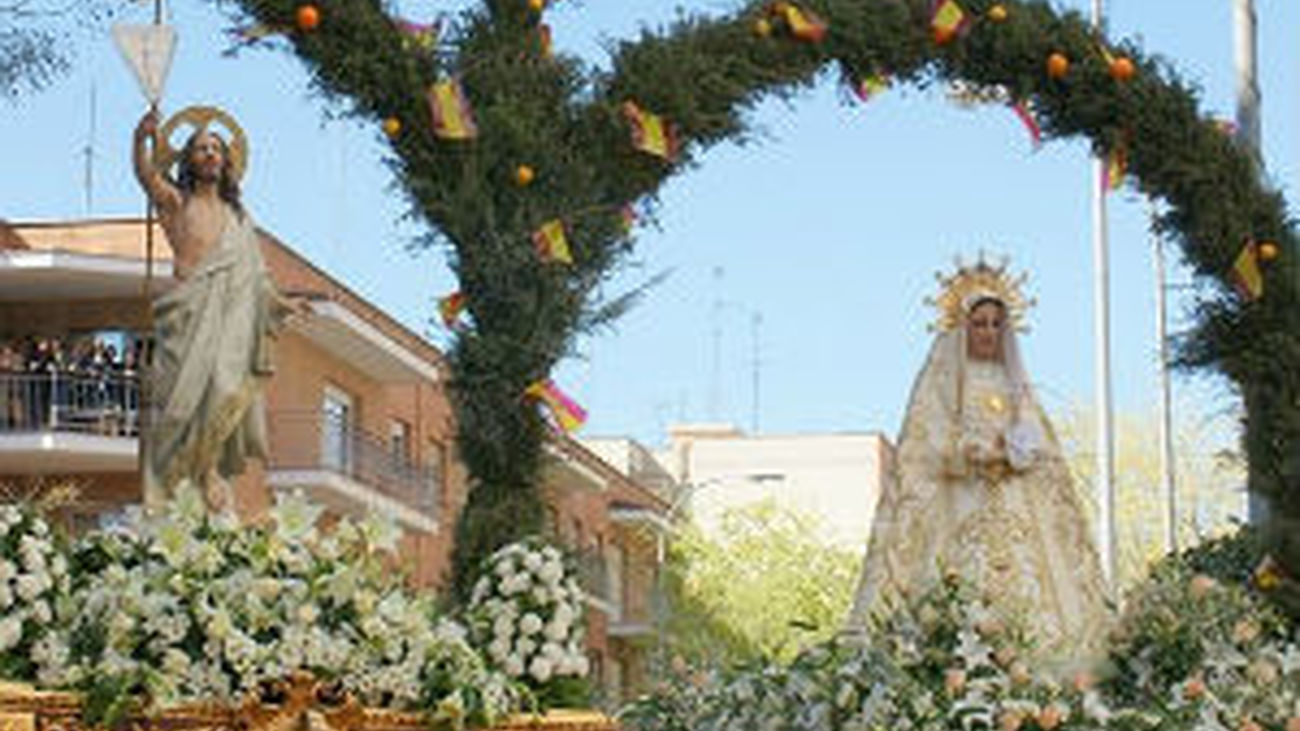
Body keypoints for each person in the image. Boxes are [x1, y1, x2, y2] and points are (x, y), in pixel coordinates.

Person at [847, 258, 1109, 659]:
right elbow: (924, 437)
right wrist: (967, 452)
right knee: (957, 589)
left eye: (995, 324)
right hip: (959, 504)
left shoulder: (1015, 382)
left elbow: (1038, 440)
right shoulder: (945, 378)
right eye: (979, 323)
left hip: (1016, 503)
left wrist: (1019, 451)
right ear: (962, 326)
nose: (988, 332)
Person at [133, 108, 290, 514]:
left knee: (223, 389)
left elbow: (257, 276)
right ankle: (169, 487)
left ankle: (210, 471)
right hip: (186, 314)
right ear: (189, 160)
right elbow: (147, 178)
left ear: (226, 160)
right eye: (201, 148)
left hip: (228, 321)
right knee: (178, 408)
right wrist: (140, 140)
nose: (209, 154)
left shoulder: (238, 217)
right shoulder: (176, 202)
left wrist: (282, 302)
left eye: (216, 148)